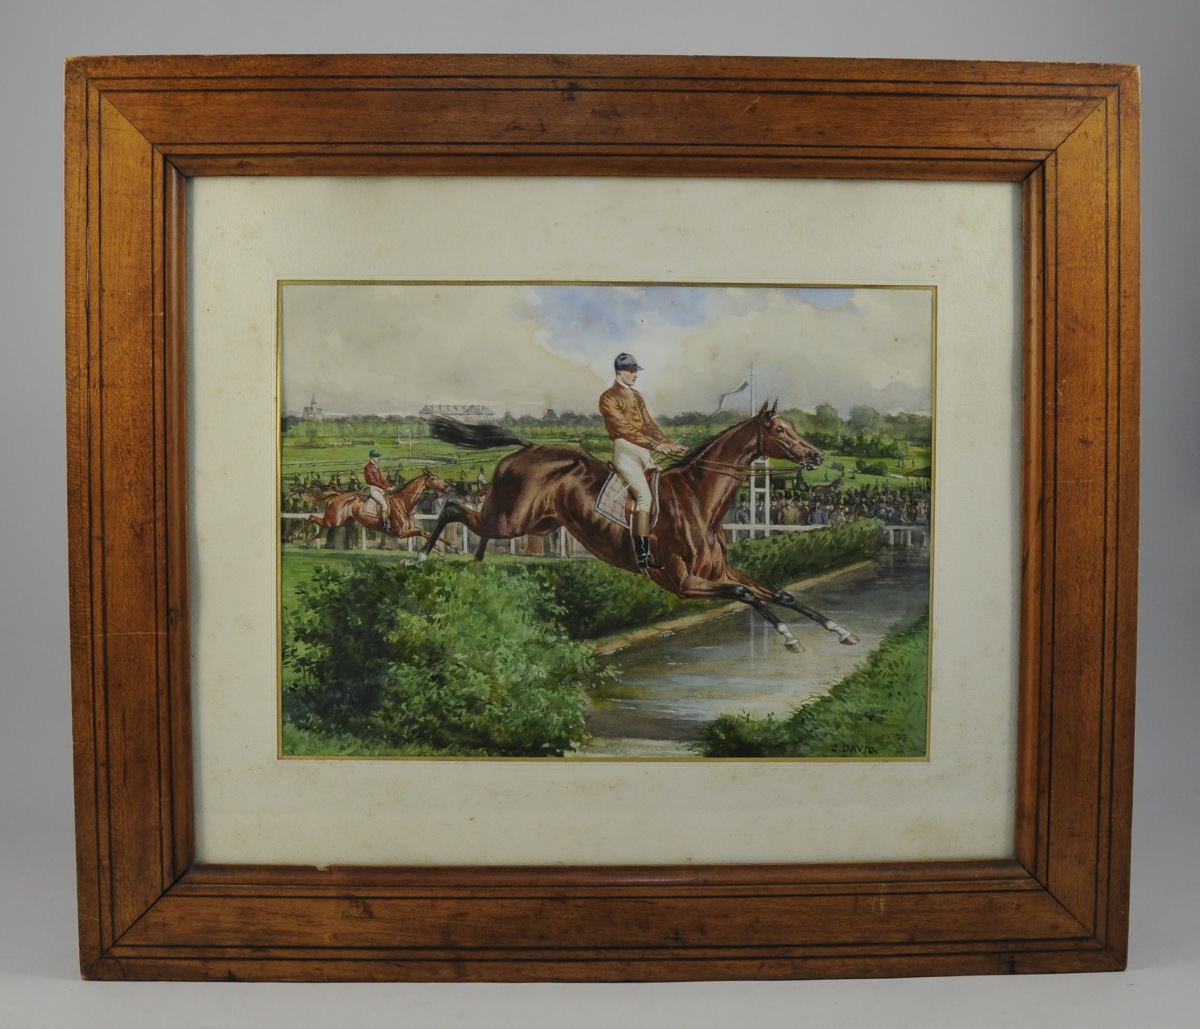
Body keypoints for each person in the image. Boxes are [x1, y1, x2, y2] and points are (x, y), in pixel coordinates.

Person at [598, 352, 688, 571]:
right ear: (619, 372)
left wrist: (668, 445)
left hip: (643, 450)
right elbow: (624, 429)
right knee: (644, 498)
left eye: (635, 371)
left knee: (665, 488)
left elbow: (648, 425)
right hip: (624, 450)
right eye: (631, 371)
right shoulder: (608, 398)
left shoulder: (636, 396)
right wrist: (656, 446)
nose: (635, 374)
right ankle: (643, 555)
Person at [363, 449, 393, 533]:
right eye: (377, 457)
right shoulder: (368, 467)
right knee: (384, 505)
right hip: (373, 488)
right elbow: (372, 481)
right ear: (372, 458)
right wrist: (385, 488)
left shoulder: (376, 466)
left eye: (378, 457)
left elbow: (381, 479)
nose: (378, 458)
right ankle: (383, 524)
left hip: (379, 488)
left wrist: (389, 486)